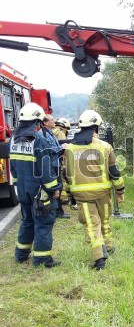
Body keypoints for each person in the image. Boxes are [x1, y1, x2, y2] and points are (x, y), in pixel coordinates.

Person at [63, 110, 124, 270]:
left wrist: (69, 194)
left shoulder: (69, 149)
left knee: (91, 224)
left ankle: (99, 258)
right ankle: (108, 247)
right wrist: (120, 190)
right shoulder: (105, 146)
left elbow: (67, 174)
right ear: (97, 127)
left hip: (82, 196)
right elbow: (114, 172)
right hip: (103, 193)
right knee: (104, 220)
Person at [10, 102, 62, 268]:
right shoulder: (38, 139)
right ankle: (41, 259)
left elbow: (13, 168)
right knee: (43, 223)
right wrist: (54, 189)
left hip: (22, 190)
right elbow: (45, 171)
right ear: (38, 122)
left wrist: (19, 186)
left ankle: (21, 255)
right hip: (40, 192)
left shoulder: (13, 139)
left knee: (26, 221)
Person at [40, 114, 70, 219]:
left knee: (58, 187)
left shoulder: (50, 133)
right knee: (56, 188)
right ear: (45, 122)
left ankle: (55, 210)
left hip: (55, 163)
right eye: (52, 120)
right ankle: (57, 211)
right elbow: (49, 150)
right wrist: (62, 147)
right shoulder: (43, 134)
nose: (54, 121)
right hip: (52, 165)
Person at [52, 117, 74, 208]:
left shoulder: (53, 131)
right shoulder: (60, 132)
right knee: (62, 180)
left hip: (53, 160)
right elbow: (63, 147)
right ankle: (63, 198)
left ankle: (61, 198)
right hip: (59, 160)